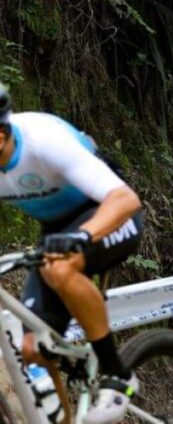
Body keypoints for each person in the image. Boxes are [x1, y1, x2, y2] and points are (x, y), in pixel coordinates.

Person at [0, 85, 144, 424]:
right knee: (33, 350)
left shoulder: (43, 142)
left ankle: (117, 374)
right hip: (57, 229)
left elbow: (126, 200)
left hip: (108, 213)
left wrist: (82, 236)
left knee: (60, 269)